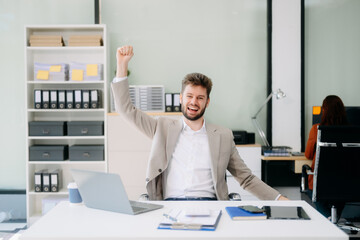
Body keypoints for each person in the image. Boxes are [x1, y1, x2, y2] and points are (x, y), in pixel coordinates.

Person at [111, 45, 288, 201]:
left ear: (207, 102)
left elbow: (246, 178)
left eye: (200, 98)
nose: (194, 102)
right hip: (170, 206)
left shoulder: (223, 136)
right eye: (189, 96)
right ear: (181, 98)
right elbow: (126, 110)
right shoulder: (161, 128)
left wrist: (280, 199)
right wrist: (122, 65)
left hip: (209, 206)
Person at [305, 95, 348, 217]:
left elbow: (308, 155)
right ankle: (333, 220)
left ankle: (328, 221)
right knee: (340, 192)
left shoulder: (316, 129)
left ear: (324, 110)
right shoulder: (352, 132)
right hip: (346, 184)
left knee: (317, 192)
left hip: (321, 184)